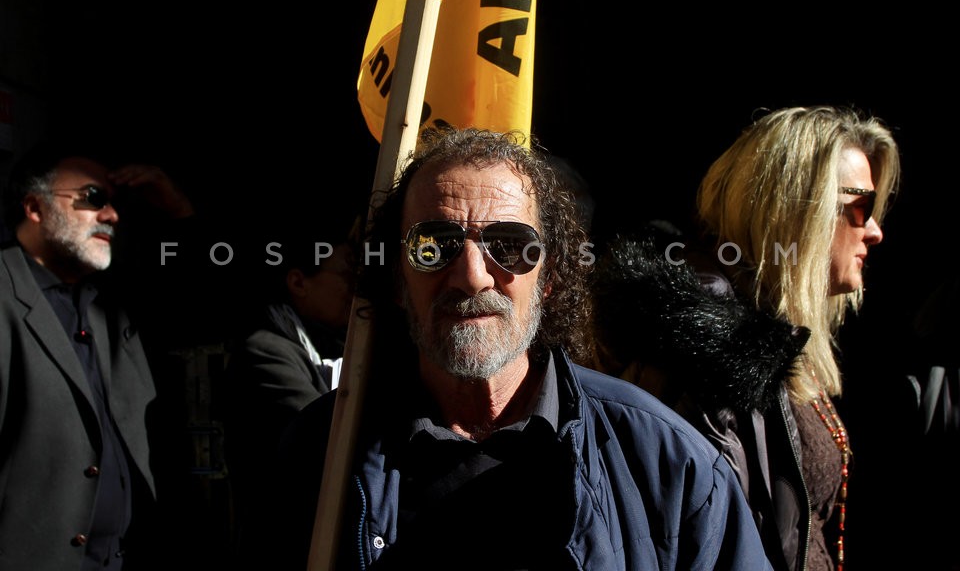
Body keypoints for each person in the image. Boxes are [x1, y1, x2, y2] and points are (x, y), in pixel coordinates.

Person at [253, 126, 773, 570]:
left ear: (549, 278)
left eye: (509, 245)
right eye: (433, 245)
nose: (472, 276)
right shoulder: (320, 454)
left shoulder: (669, 462)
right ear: (396, 278)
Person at [598, 106, 898, 571]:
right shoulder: (710, 356)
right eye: (861, 207)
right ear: (796, 210)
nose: (875, 231)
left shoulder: (777, 337)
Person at [0, 145, 194, 570]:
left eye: (114, 202)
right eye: (92, 198)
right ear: (35, 206)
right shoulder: (5, 295)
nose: (111, 215)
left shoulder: (114, 300)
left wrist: (177, 209)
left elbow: (205, 307)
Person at [222, 221, 358, 548]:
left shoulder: (327, 345)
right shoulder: (265, 351)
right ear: (298, 282)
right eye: (346, 276)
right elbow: (327, 438)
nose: (356, 290)